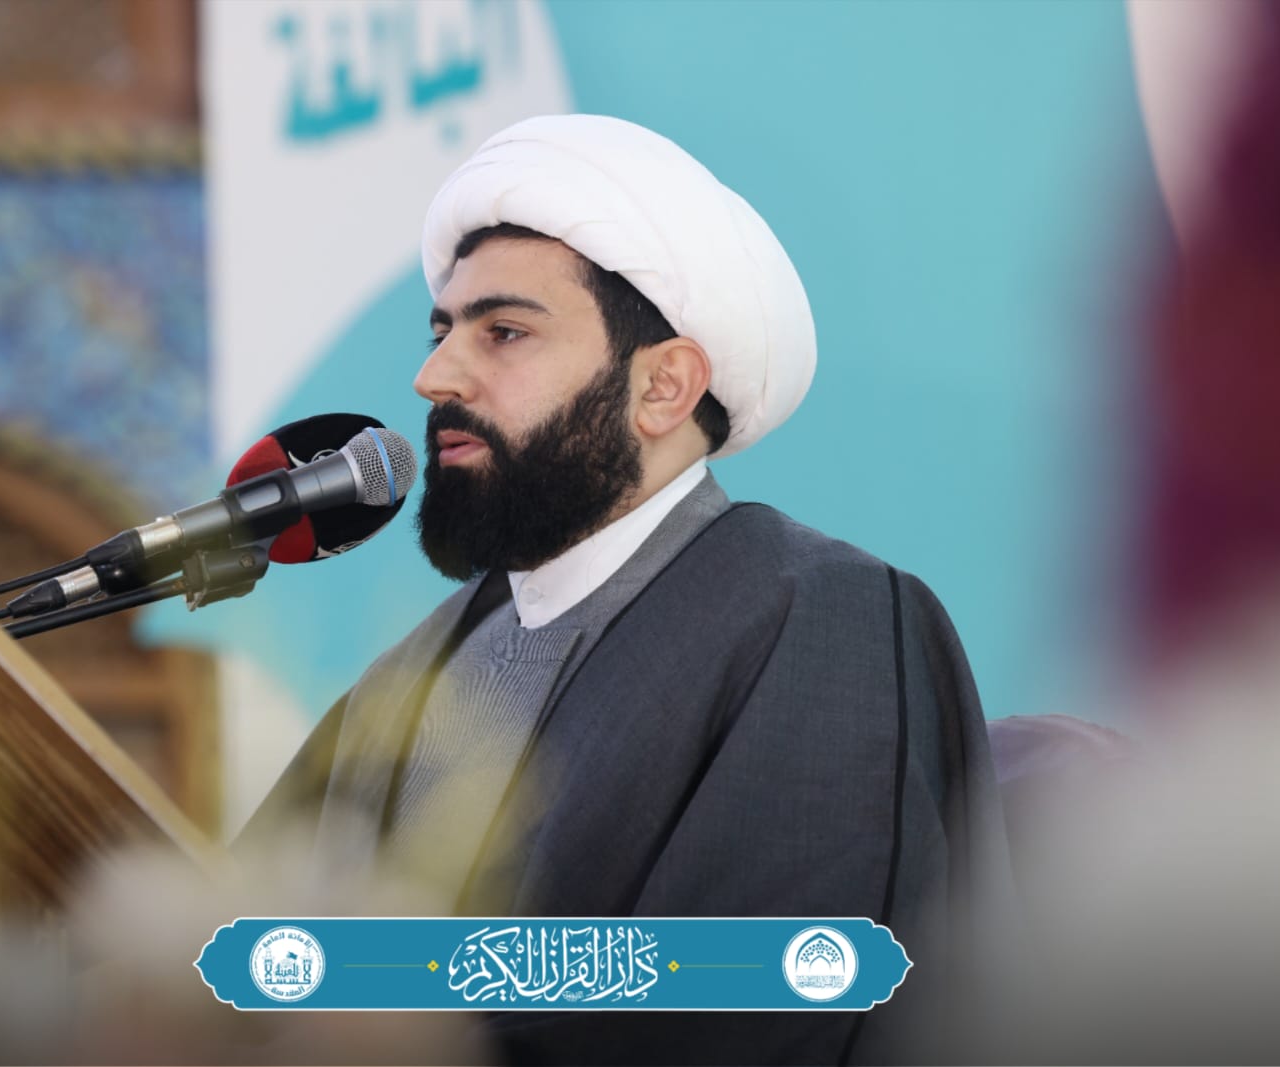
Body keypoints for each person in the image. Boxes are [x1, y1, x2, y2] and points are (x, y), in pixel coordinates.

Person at [240, 114, 1011, 1065]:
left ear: (663, 387)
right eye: (442, 332)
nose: (433, 376)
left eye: (504, 332)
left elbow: (773, 997)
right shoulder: (417, 667)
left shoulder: (822, 618)